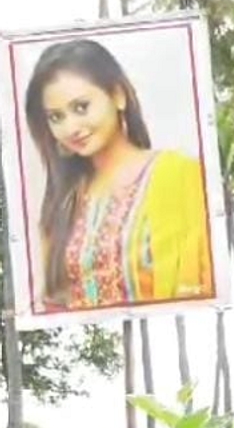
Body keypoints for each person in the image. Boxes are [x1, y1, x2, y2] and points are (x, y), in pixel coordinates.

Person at [24, 38, 213, 313]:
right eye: (56, 117)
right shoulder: (63, 203)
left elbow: (199, 286)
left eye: (81, 107)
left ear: (118, 95)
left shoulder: (178, 175)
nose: (71, 127)